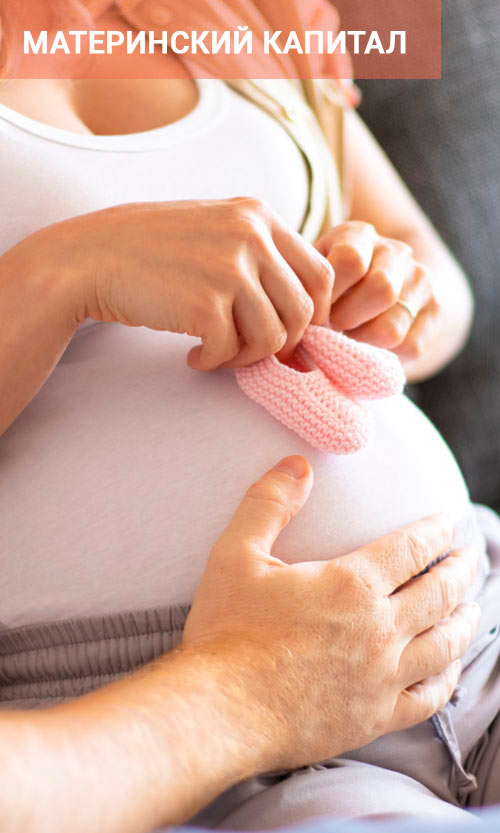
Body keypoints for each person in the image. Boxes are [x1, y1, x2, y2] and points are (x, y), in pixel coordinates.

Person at [0, 0, 499, 829]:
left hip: (462, 609)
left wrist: (389, 293)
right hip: (170, 717)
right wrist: (63, 272)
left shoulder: (247, 15)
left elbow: (430, 272)